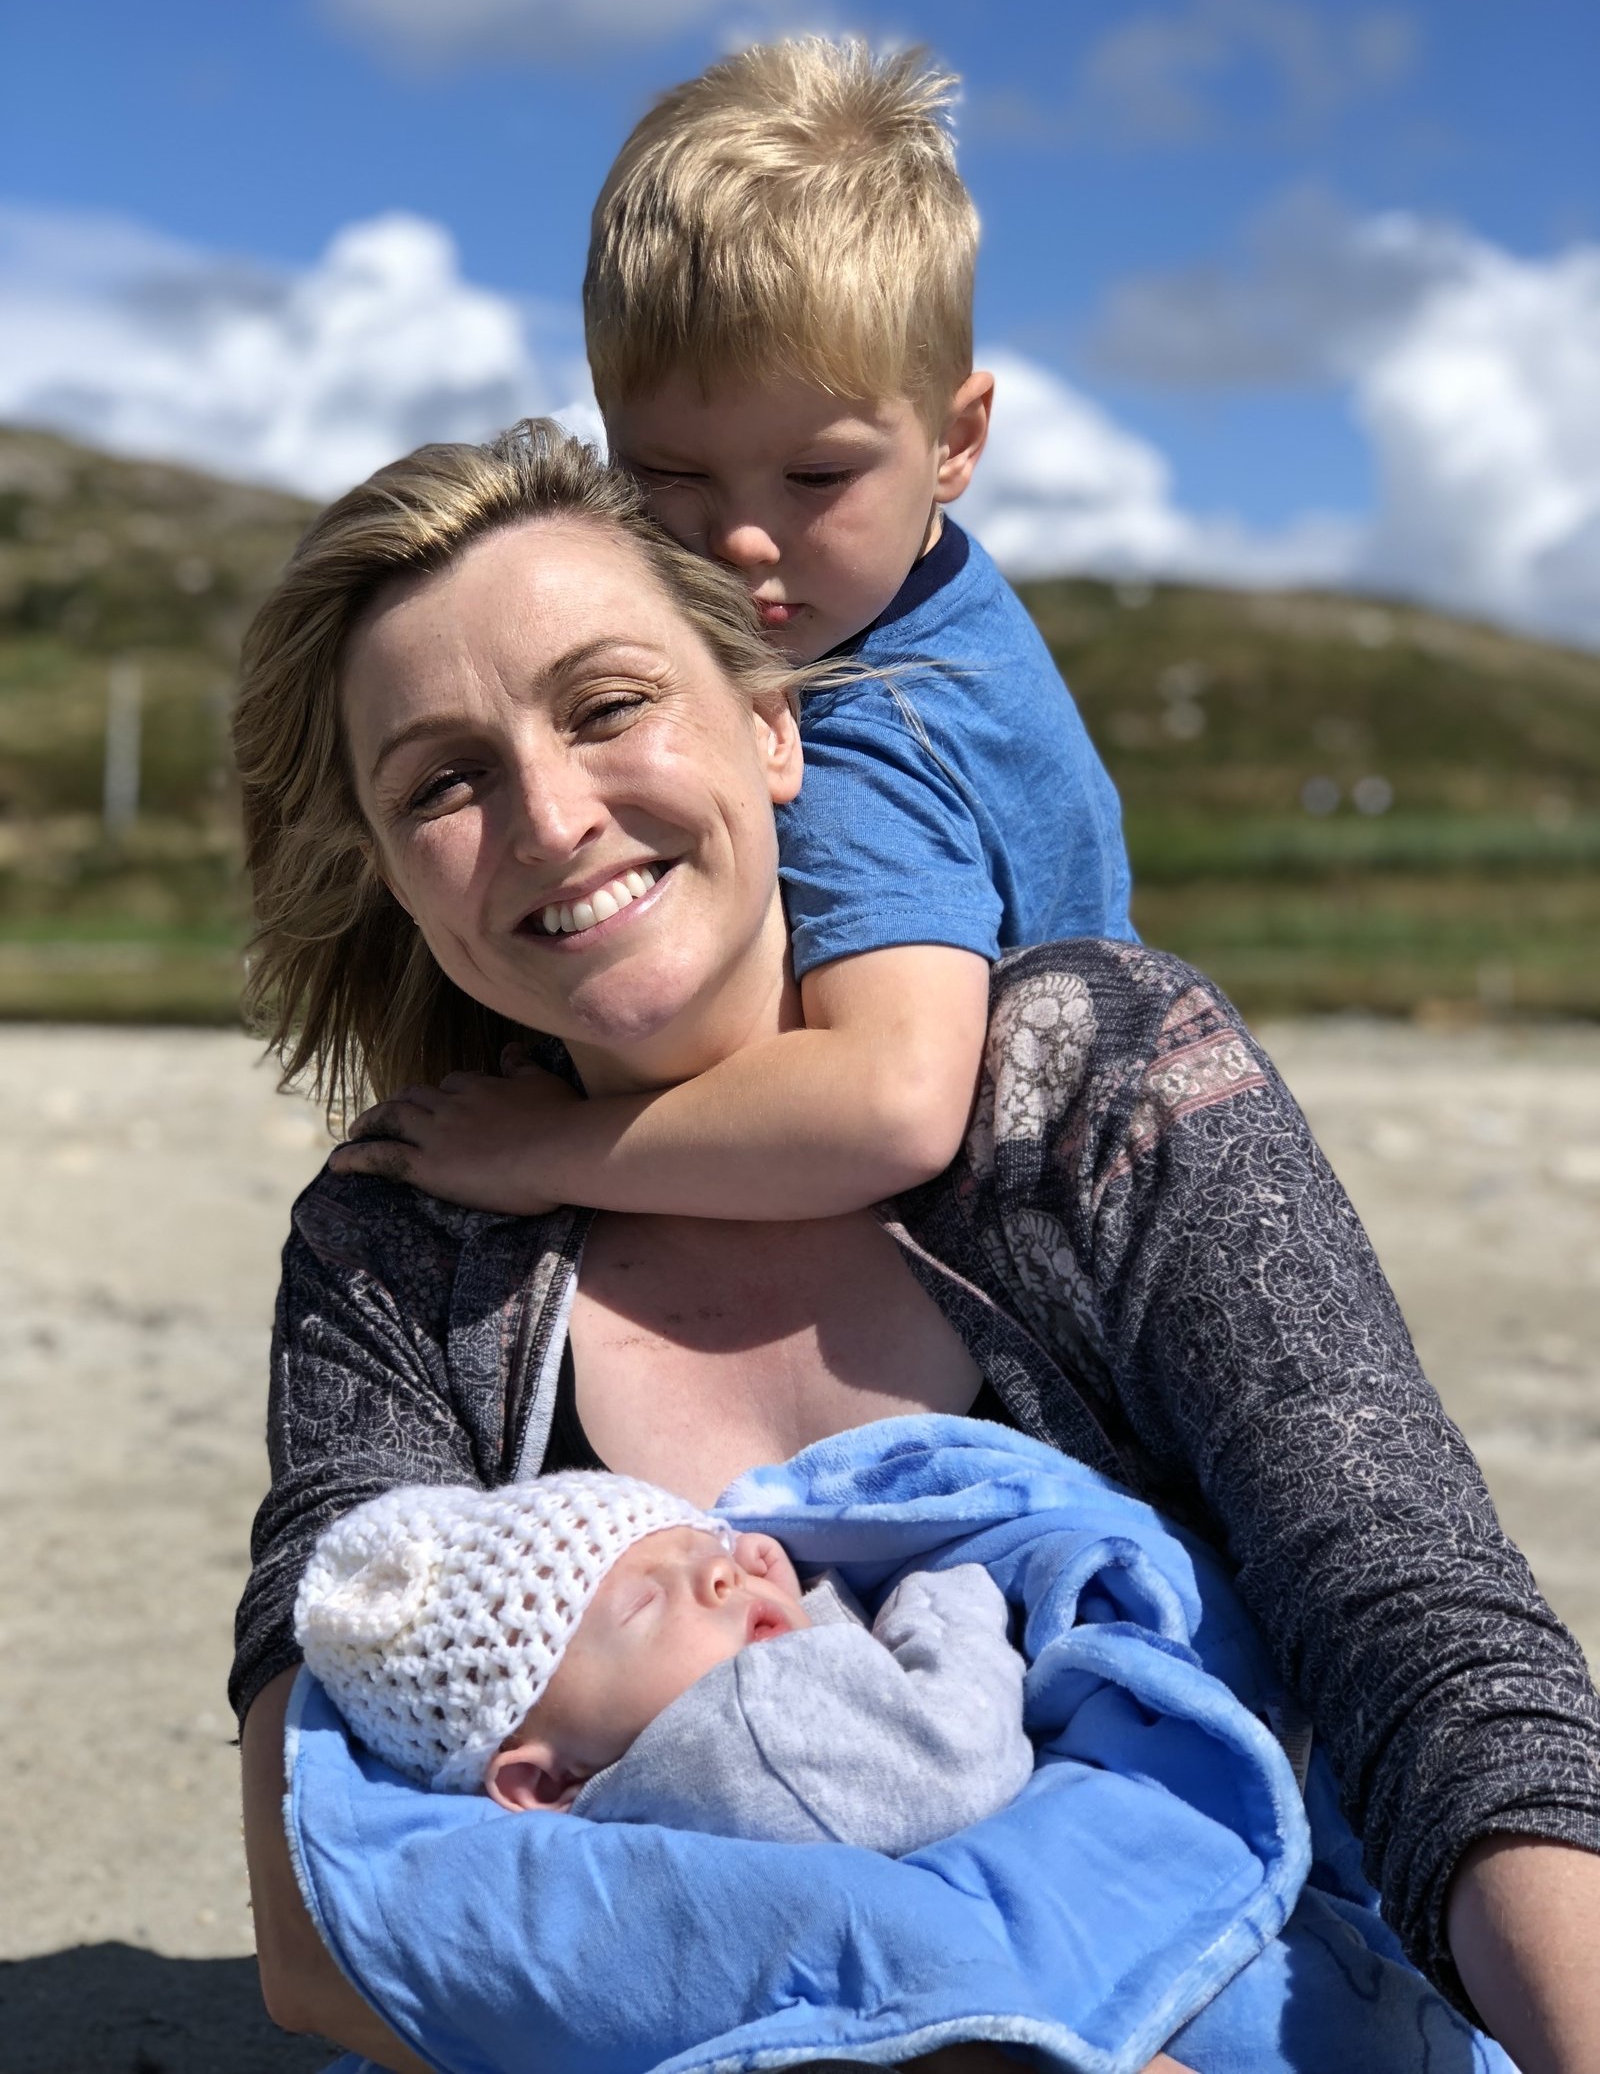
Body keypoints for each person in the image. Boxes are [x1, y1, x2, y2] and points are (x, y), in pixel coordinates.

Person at [231, 421, 1600, 2074]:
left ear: (769, 725)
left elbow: (1415, 1624)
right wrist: (973, 2038)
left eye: (607, 704)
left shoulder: (1098, 1081)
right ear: (388, 872)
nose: (549, 811)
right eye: (442, 780)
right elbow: (323, 1922)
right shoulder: (403, 1247)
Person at [327, 38, 1136, 1229]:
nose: (743, 539)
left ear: (956, 443)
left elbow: (894, 1102)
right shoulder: (920, 582)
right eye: (672, 473)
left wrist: (551, 1149)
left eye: (815, 476)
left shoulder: (861, 732)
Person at [294, 1469, 1033, 1850]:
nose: (723, 1572)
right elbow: (954, 1754)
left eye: (708, 1548)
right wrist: (942, 1596)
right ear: (544, 1778)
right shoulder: (746, 1732)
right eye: (645, 1604)